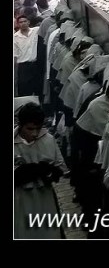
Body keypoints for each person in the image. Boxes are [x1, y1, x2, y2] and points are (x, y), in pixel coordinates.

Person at [14, 102, 68, 239]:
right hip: (19, 198)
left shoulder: (48, 140)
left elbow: (60, 167)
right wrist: (33, 170)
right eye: (30, 129)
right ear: (20, 125)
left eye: (38, 129)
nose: (34, 133)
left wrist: (51, 172)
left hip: (44, 195)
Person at [14, 15, 41, 98]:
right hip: (23, 67)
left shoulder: (36, 31)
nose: (23, 23)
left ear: (28, 22)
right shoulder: (15, 37)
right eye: (21, 22)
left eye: (25, 21)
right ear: (18, 24)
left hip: (35, 65)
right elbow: (15, 55)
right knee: (24, 90)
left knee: (37, 88)